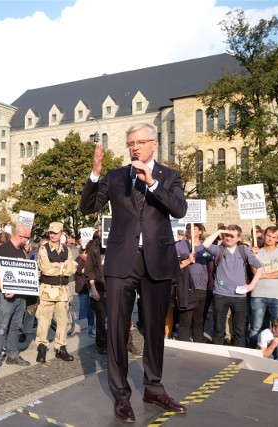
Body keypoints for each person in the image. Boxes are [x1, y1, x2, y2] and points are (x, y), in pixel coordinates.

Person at [79, 123, 189, 423]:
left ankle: (154, 387)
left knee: (154, 328)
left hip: (157, 260)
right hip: (120, 261)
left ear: (154, 143)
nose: (135, 147)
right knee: (116, 329)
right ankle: (121, 396)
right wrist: (95, 172)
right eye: (130, 143)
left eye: (140, 142)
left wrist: (152, 182)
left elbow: (180, 210)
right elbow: (87, 207)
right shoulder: (116, 176)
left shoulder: (170, 175)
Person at [202, 225, 264, 348]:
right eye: (226, 235)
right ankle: (217, 353)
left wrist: (251, 285)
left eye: (232, 236)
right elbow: (205, 245)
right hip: (221, 295)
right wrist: (219, 231)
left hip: (239, 296)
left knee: (239, 330)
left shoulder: (243, 250)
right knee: (219, 329)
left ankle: (239, 354)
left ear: (238, 238)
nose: (228, 238)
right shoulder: (219, 249)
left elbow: (260, 268)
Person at [0, 225, 33, 374]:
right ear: (21, 237)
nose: (28, 241)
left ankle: (12, 355)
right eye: (27, 238)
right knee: (1, 328)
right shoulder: (0, 250)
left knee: (15, 326)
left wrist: (33, 275)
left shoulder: (21, 251)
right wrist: (4, 288)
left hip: (21, 297)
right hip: (6, 297)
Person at [34, 222, 78, 363]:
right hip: (48, 290)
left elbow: (73, 268)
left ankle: (61, 348)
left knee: (63, 321)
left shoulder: (66, 249)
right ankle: (41, 347)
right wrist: (62, 266)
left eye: (56, 232)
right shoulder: (44, 249)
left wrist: (59, 267)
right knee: (44, 321)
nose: (53, 235)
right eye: (51, 232)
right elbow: (46, 268)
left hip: (62, 291)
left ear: (61, 233)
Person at [247, 226, 278, 347]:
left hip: (277, 296)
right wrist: (253, 256)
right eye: (268, 236)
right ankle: (252, 351)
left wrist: (264, 275)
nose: (270, 239)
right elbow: (255, 272)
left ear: (277, 239)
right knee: (256, 326)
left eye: (273, 237)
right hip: (258, 295)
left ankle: (277, 353)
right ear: (264, 236)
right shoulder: (257, 252)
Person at [175, 224, 214, 343]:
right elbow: (173, 267)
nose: (189, 230)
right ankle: (184, 347)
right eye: (188, 228)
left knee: (199, 321)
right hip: (187, 288)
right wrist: (188, 260)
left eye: (194, 228)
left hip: (203, 289)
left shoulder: (206, 246)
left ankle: (198, 346)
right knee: (185, 322)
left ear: (200, 231)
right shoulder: (179, 246)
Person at [85, 231, 107, 354]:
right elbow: (89, 270)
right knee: (101, 317)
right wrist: (93, 288)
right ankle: (102, 343)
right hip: (99, 288)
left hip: (113, 288)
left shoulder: (115, 244)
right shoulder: (94, 248)